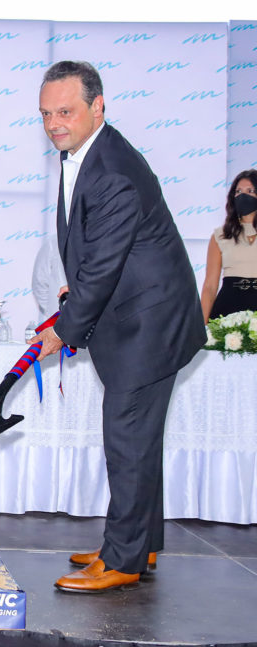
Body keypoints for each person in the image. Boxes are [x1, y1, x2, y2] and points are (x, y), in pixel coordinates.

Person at [31, 61, 205, 592]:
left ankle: (124, 559)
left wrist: (62, 329)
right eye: (46, 114)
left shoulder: (112, 170)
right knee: (140, 440)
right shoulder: (90, 153)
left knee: (127, 439)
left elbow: (104, 265)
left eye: (65, 112)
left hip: (147, 327)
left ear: (97, 106)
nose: (54, 124)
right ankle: (136, 542)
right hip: (140, 317)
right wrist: (72, 298)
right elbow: (100, 251)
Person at [200, 169, 257, 322]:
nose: (243, 196)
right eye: (238, 192)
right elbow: (210, 287)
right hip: (228, 309)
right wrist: (200, 327)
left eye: (250, 191)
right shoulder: (220, 235)